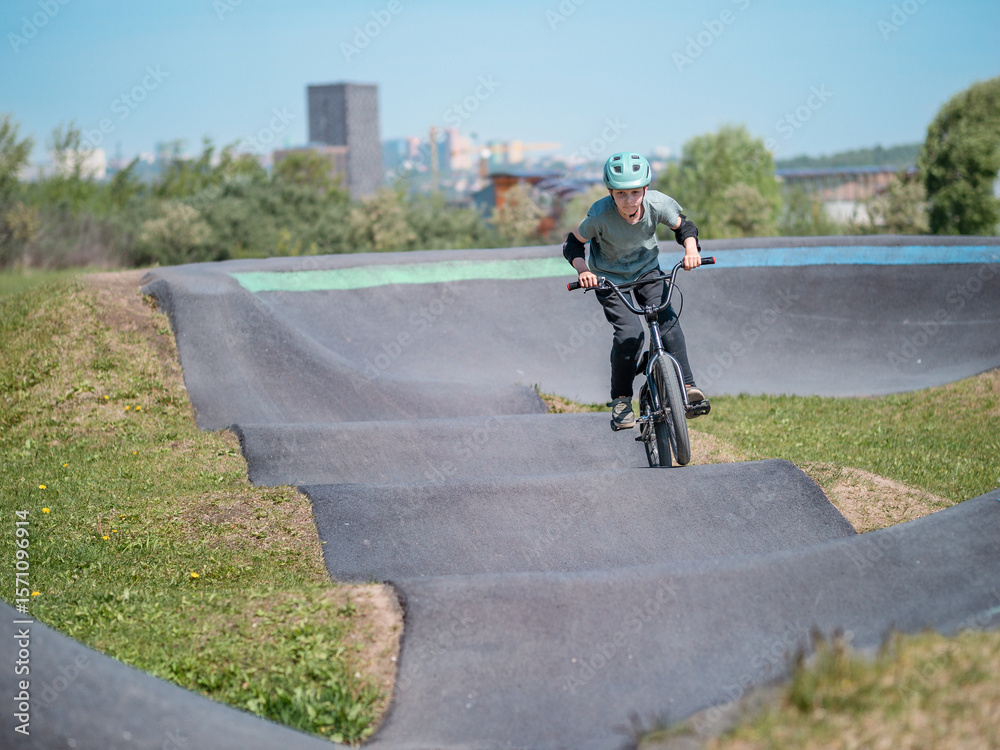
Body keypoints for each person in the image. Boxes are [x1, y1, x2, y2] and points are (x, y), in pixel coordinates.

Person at [562, 151, 706, 431]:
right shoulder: (599, 215)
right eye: (621, 194)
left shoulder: (657, 204)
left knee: (668, 324)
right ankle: (621, 401)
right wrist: (584, 272)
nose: (629, 200)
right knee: (630, 335)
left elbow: (685, 226)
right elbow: (572, 244)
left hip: (648, 272)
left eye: (635, 193)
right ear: (610, 193)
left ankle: (687, 388)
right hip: (608, 279)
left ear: (645, 189)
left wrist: (691, 249)